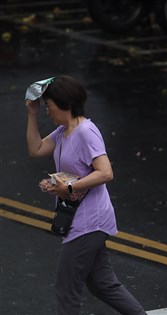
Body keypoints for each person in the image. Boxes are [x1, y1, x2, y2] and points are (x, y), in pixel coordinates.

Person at [26, 75, 147, 315]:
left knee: (66, 289)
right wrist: (31, 113)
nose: (47, 112)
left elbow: (105, 172)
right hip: (78, 219)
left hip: (89, 221)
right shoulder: (63, 132)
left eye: (49, 107)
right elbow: (36, 149)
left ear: (66, 104)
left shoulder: (85, 132)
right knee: (103, 284)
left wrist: (69, 188)